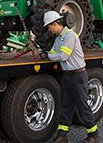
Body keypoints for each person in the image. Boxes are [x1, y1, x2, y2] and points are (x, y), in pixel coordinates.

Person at [40, 11, 98, 143]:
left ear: (55, 23)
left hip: (78, 75)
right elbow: (54, 52)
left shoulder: (70, 35)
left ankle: (93, 134)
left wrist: (48, 56)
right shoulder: (59, 38)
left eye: (49, 27)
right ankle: (62, 135)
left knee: (82, 105)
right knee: (65, 105)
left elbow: (63, 56)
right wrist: (45, 53)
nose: (49, 30)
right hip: (67, 75)